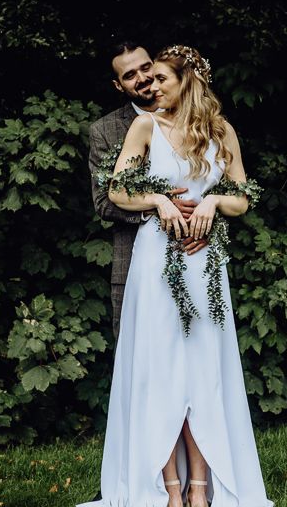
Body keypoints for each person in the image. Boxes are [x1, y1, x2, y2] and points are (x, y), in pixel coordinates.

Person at [77, 45, 275, 507]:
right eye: (145, 78)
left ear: (186, 82)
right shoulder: (145, 126)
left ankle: (202, 491)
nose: (153, 85)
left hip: (204, 261)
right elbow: (117, 190)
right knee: (159, 372)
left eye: (161, 77)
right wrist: (161, 201)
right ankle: (169, 491)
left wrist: (211, 205)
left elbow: (242, 197)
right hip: (154, 258)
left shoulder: (221, 131)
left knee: (204, 372)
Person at [88, 42, 207, 341]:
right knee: (141, 360)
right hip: (134, 262)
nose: (142, 78)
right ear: (118, 85)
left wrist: (207, 222)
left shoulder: (200, 122)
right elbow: (104, 201)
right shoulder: (107, 129)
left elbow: (221, 186)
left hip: (196, 254)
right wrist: (158, 206)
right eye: (130, 75)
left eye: (145, 68)